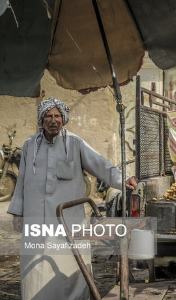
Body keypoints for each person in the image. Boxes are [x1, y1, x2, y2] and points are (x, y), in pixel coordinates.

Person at [7, 97, 137, 300]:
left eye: (57, 116)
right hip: (36, 219)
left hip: (68, 219)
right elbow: (22, 181)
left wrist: (123, 179)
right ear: (42, 119)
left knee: (69, 262)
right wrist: (17, 212)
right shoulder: (29, 146)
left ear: (64, 119)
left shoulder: (75, 143)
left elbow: (100, 165)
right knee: (37, 267)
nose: (53, 120)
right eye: (48, 116)